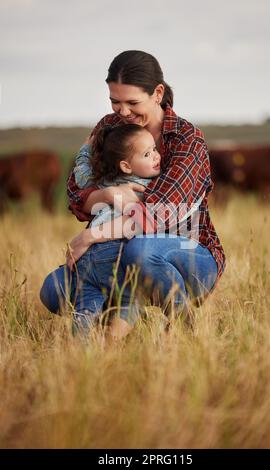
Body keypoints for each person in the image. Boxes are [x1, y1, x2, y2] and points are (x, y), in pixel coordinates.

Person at [40, 50, 226, 341]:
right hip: (114, 252)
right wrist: (110, 193)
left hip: (187, 254)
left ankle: (185, 329)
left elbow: (160, 216)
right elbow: (76, 193)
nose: (123, 111)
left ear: (158, 93)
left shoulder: (187, 139)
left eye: (132, 102)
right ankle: (113, 327)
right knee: (54, 290)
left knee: (140, 250)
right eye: (115, 101)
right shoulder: (108, 128)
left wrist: (90, 236)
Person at [67, 123, 161, 334]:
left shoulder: (104, 182)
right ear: (126, 166)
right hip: (115, 254)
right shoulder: (146, 187)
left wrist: (85, 149)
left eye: (155, 149)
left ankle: (78, 352)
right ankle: (113, 341)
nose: (156, 156)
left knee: (85, 308)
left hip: (86, 257)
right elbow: (147, 223)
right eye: (147, 154)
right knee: (132, 296)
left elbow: (81, 175)